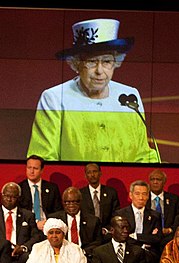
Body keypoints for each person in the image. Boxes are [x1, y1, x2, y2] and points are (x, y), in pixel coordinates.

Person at [27, 18, 159, 163]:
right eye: (91, 62)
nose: (100, 71)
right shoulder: (55, 98)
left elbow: (143, 154)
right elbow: (43, 158)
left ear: (116, 63)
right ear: (77, 64)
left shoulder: (129, 96)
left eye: (107, 61)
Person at [0, 182, 44, 263]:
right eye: (6, 196)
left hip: (19, 256)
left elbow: (36, 236)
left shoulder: (27, 215)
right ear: (2, 195)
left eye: (13, 197)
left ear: (18, 198)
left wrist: (23, 248)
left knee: (29, 259)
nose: (9, 199)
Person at [50, 186, 102, 260]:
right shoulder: (54, 219)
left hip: (85, 256)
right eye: (67, 202)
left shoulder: (93, 221)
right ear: (63, 203)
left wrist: (82, 252)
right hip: (61, 257)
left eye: (75, 202)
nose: (71, 205)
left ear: (80, 202)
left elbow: (97, 242)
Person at [114, 180, 162, 251]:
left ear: (148, 196)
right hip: (127, 251)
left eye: (144, 194)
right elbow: (121, 236)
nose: (141, 198)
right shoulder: (121, 214)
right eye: (137, 194)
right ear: (130, 195)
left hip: (148, 253)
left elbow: (157, 238)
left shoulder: (155, 216)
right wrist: (142, 244)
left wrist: (135, 236)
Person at [17, 155, 62, 231]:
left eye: (35, 168)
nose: (32, 171)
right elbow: (18, 212)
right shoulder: (19, 188)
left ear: (42, 170)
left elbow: (58, 211)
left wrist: (48, 223)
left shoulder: (52, 188)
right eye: (29, 168)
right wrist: (35, 223)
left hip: (48, 226)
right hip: (27, 227)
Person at [79, 162, 120, 232]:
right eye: (89, 172)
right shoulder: (80, 194)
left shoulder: (111, 192)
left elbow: (116, 214)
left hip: (107, 232)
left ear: (100, 173)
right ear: (85, 176)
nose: (92, 175)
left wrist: (107, 229)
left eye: (95, 171)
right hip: (86, 232)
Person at [146, 168, 179, 244]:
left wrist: (170, 230)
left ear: (164, 182)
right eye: (152, 179)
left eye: (158, 179)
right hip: (148, 237)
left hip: (169, 238)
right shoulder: (144, 199)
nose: (155, 182)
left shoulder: (174, 200)